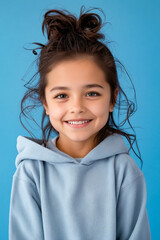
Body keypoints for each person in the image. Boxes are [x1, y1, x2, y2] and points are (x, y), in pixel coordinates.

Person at [9, 6, 151, 240]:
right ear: (45, 102)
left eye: (92, 93)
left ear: (112, 99)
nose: (77, 107)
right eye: (62, 95)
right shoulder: (30, 172)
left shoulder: (124, 171)